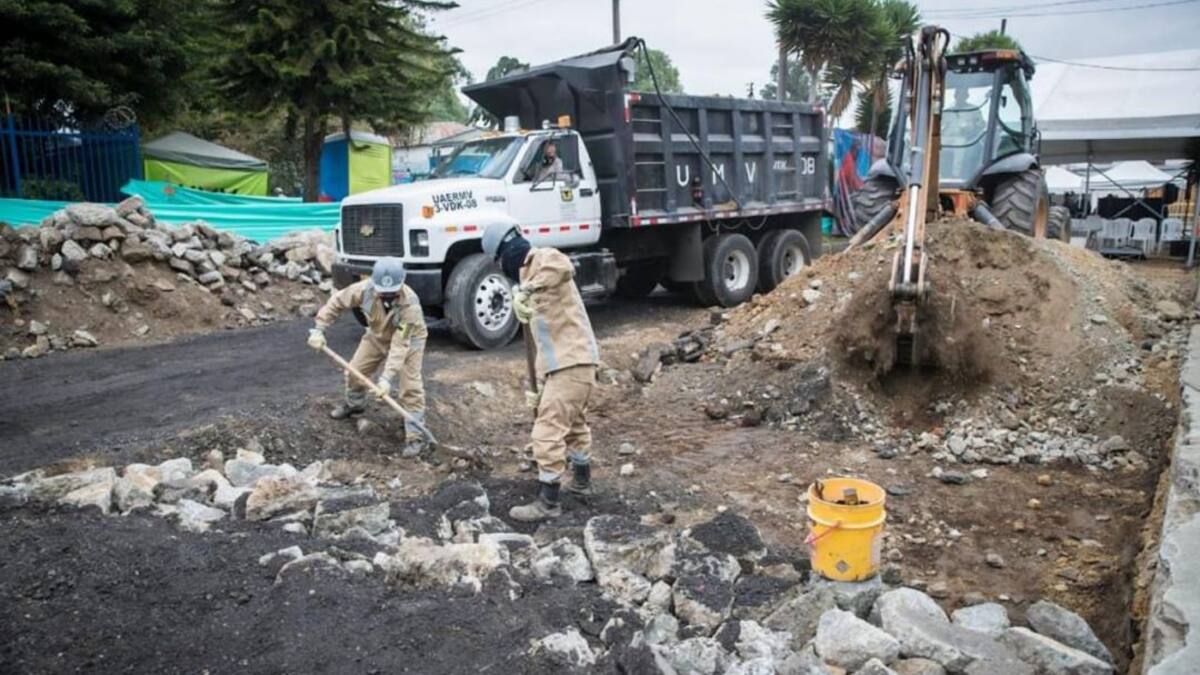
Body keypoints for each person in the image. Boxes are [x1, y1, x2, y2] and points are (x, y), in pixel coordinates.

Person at [482, 223, 599, 522]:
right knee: (574, 426)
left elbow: (563, 266)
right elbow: (542, 341)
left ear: (505, 254)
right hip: (565, 366)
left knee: (546, 431)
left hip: (573, 363)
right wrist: (540, 385)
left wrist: (527, 290)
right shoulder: (526, 281)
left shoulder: (544, 259)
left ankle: (548, 503)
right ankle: (582, 483)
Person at [307, 257, 429, 457]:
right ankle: (355, 405)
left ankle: (415, 436)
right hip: (377, 334)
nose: (387, 296)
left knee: (410, 386)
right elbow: (337, 302)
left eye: (392, 292)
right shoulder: (363, 290)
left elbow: (400, 345)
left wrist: (386, 379)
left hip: (409, 340)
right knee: (355, 371)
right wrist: (319, 329)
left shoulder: (410, 306)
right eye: (383, 292)